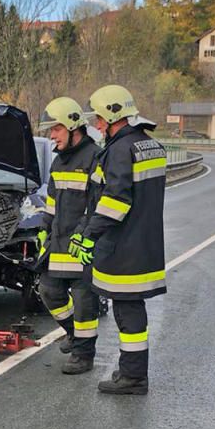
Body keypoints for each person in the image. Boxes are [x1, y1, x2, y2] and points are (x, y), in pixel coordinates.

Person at [69, 84, 166, 395]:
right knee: (131, 307)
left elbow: (115, 202)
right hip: (145, 242)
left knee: (127, 310)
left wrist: (88, 234)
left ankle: (133, 377)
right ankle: (133, 372)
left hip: (124, 246)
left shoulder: (121, 151)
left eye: (99, 119)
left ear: (114, 116)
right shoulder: (148, 145)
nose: (97, 125)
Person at [35, 96, 101, 375]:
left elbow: (98, 205)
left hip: (83, 244)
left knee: (85, 301)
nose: (52, 136)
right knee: (49, 290)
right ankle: (74, 333)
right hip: (59, 242)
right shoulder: (59, 162)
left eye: (56, 129)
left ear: (74, 127)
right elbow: (51, 202)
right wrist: (44, 229)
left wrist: (82, 235)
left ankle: (83, 356)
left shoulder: (95, 158)